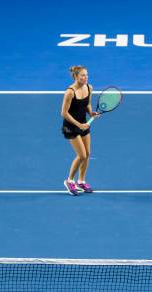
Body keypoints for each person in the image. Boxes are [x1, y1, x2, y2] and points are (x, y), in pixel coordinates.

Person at [61, 65, 99, 196]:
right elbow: (64, 113)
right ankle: (69, 180)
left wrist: (91, 113)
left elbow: (87, 104)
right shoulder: (70, 92)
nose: (86, 77)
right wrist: (79, 125)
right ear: (76, 76)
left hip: (84, 123)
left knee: (87, 154)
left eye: (87, 75)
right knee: (81, 155)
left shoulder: (89, 87)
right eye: (83, 75)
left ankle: (81, 181)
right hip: (71, 127)